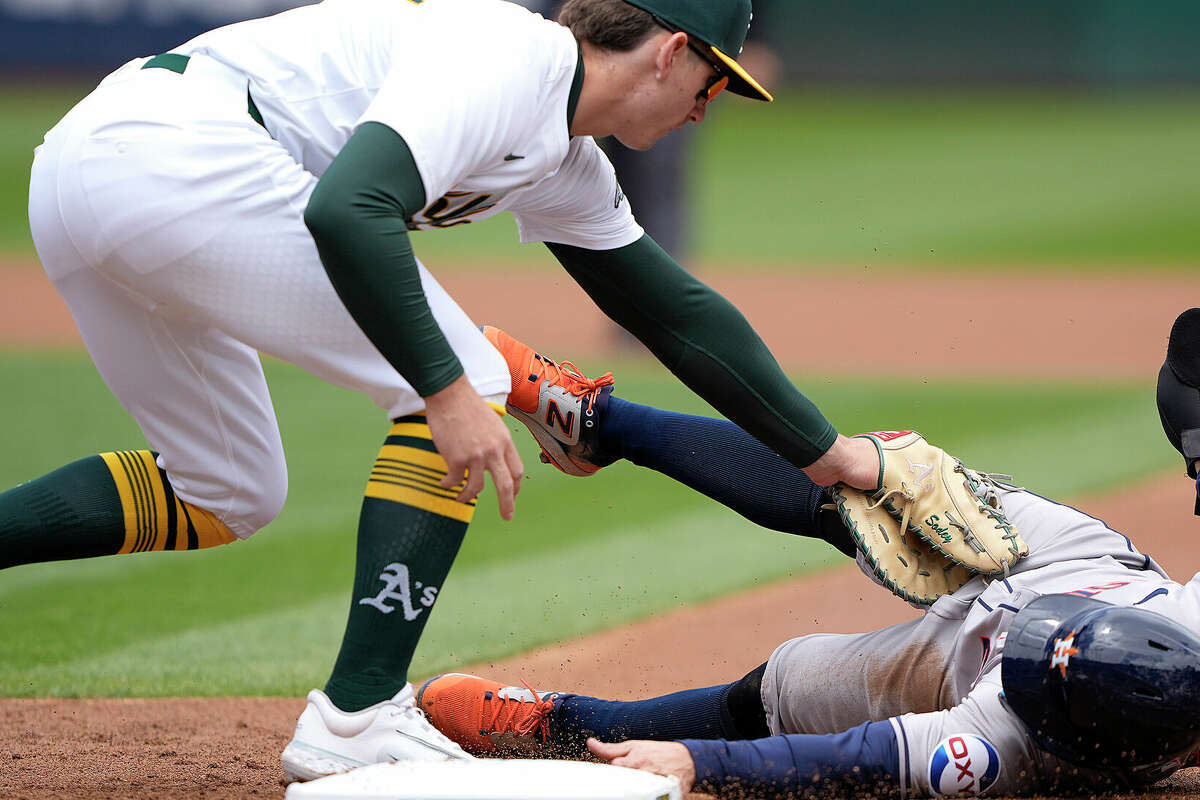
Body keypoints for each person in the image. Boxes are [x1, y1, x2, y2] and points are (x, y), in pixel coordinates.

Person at [5, 0, 890, 784]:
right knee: (470, 373)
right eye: (711, 81)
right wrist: (447, 388)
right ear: (668, 52)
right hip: (174, 153)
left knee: (229, 487)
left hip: (99, 170)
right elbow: (349, 205)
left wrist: (831, 454)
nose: (708, 107)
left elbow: (676, 314)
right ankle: (356, 714)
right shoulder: (510, 57)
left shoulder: (566, 157)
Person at [417, 326, 1200, 797]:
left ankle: (547, 726)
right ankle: (593, 420)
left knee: (772, 697)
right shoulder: (1167, 613)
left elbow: (851, 759)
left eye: (1018, 648)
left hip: (950, 670)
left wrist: (698, 762)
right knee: (875, 490)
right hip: (1071, 570)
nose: (1013, 631)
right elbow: (1185, 370)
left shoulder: (997, 740)